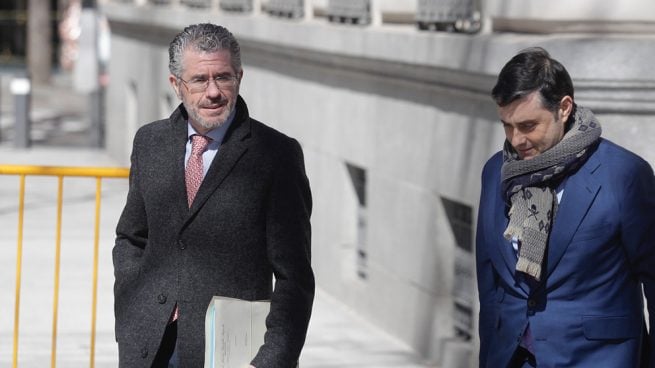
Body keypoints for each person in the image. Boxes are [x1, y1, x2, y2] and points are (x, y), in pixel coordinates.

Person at [113, 23, 314, 368]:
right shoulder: (150, 143)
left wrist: (272, 359)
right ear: (176, 85)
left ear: (239, 77)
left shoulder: (276, 155)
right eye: (199, 80)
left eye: (223, 77)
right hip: (148, 345)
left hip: (232, 353)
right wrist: (130, 305)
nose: (213, 92)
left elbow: (294, 275)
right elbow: (131, 236)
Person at [476, 47, 655, 368]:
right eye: (507, 125)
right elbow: (489, 279)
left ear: (564, 108)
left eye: (529, 125)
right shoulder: (496, 171)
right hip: (511, 356)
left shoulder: (624, 175)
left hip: (596, 358)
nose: (516, 140)